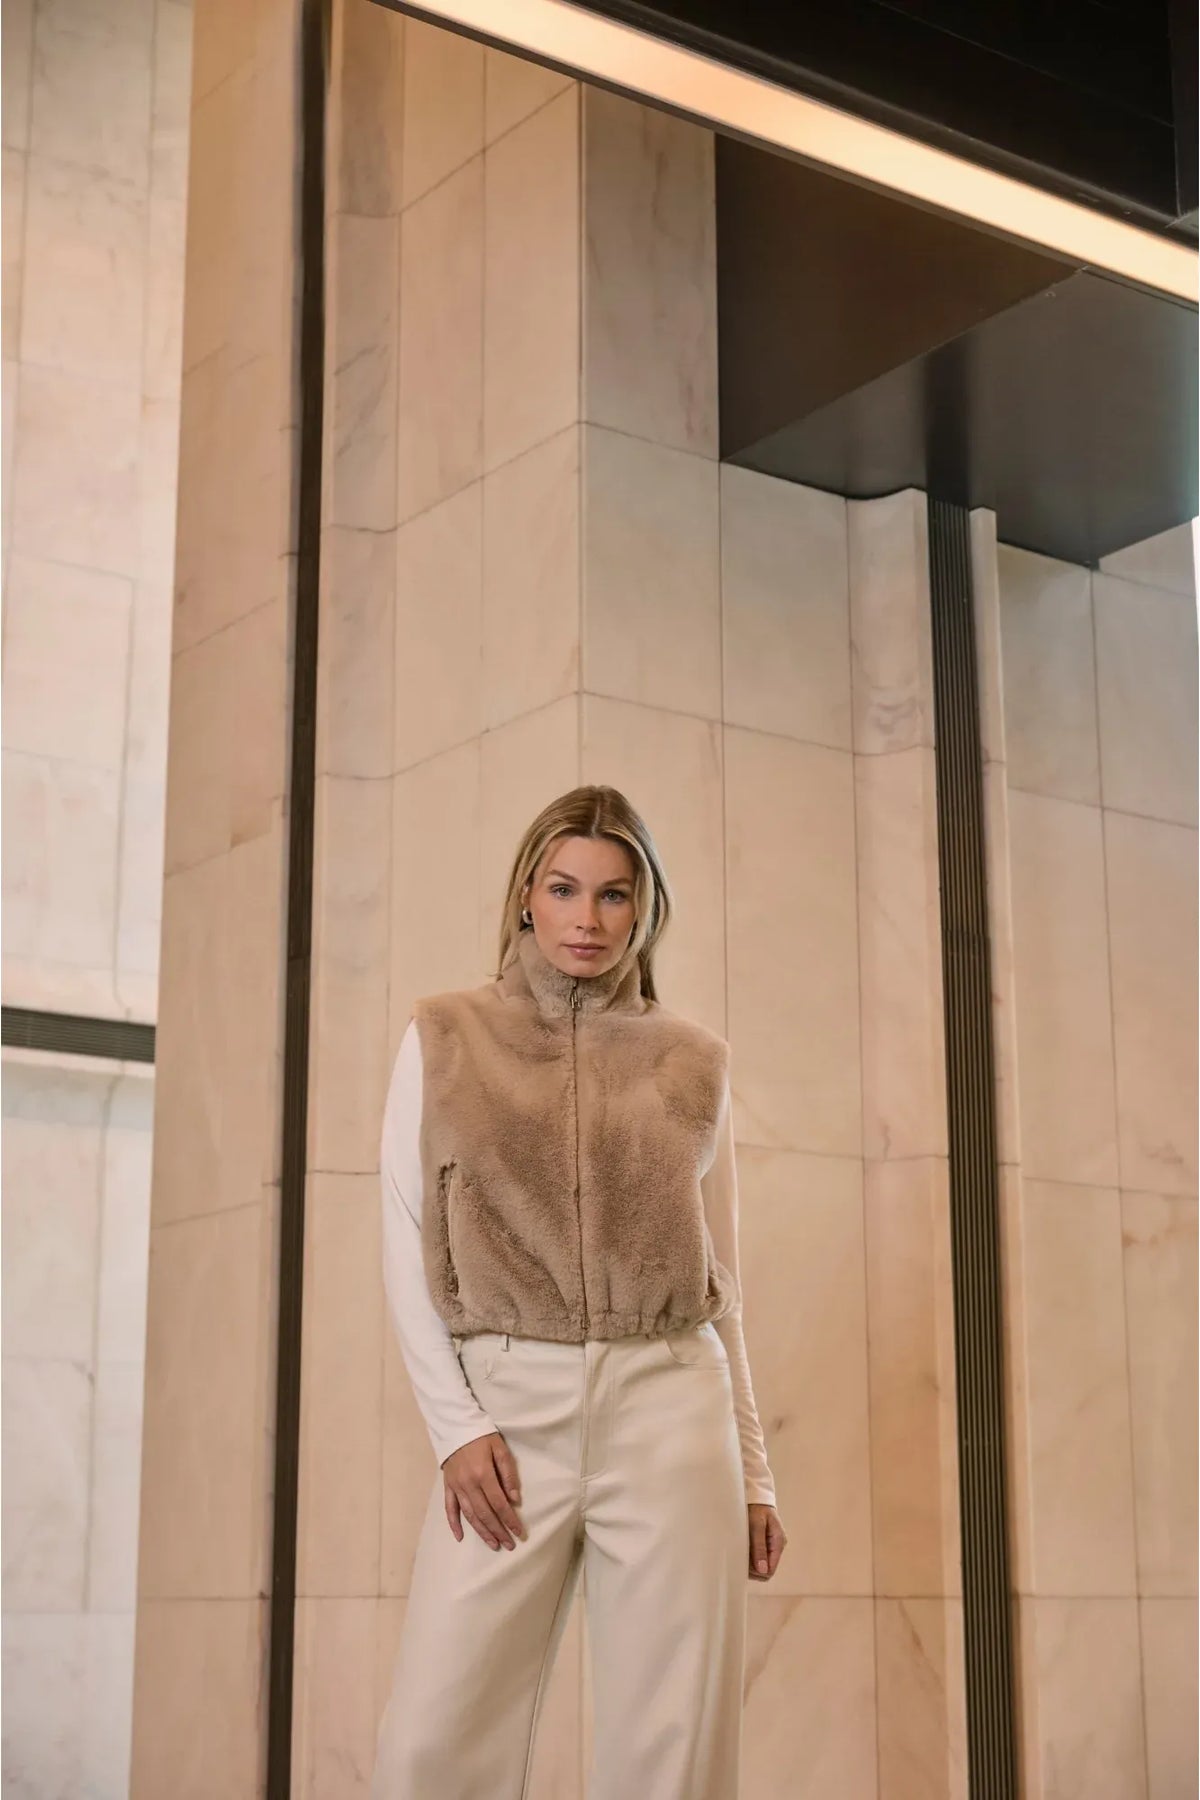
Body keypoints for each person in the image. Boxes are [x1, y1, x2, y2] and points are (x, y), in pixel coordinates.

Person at [371, 784, 786, 1799]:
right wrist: (455, 1428)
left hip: (670, 1410)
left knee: (672, 1753)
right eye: (563, 889)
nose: (587, 919)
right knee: (432, 1743)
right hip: (508, 1415)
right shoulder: (444, 1037)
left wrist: (754, 1474)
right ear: (526, 895)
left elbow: (721, 1282)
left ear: (644, 907)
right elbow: (405, 1237)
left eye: (613, 894)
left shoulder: (693, 1062)